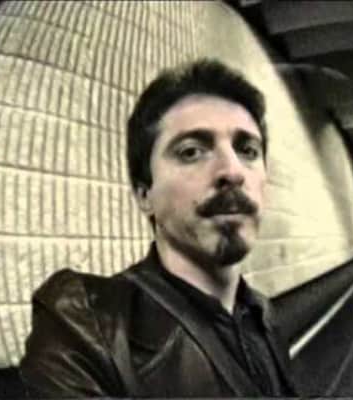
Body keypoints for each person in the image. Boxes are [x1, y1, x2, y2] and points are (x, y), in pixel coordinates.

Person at [19, 59, 300, 397]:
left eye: (248, 150)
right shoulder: (86, 324)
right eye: (191, 151)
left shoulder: (263, 317)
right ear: (144, 195)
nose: (232, 171)